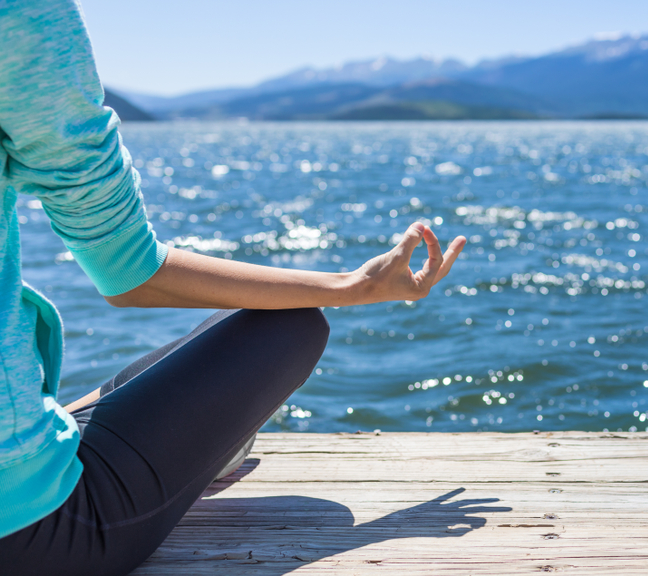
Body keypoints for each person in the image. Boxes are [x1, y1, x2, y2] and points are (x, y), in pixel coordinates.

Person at [0, 1, 466, 574]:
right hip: (31, 532)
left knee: (187, 351)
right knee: (289, 323)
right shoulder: (21, 16)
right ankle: (208, 457)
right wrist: (354, 285)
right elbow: (128, 272)